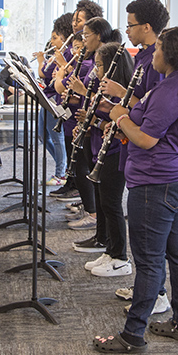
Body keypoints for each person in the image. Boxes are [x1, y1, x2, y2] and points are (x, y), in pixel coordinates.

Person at [93, 27, 178, 354]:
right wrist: (126, 119)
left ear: (170, 55)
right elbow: (151, 122)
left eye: (157, 49)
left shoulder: (173, 89)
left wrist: (119, 117)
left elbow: (146, 138)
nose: (152, 55)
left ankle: (133, 335)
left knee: (149, 262)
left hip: (156, 184)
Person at [96, 0, 171, 309]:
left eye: (130, 25)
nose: (126, 30)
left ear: (147, 27)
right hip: (136, 151)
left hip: (153, 159)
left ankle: (158, 294)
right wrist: (118, 113)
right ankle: (147, 286)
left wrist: (120, 103)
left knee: (152, 235)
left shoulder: (160, 62)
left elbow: (152, 110)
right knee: (141, 232)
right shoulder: (142, 58)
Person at [77, 42, 135, 277]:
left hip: (115, 152)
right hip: (99, 147)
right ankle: (111, 251)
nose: (96, 70)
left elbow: (124, 122)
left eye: (100, 65)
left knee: (112, 204)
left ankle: (120, 257)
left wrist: (97, 122)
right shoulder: (103, 90)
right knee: (103, 203)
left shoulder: (125, 94)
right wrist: (88, 125)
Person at [64, 17, 122, 234]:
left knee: (109, 201)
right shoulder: (95, 59)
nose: (83, 38)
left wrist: (93, 118)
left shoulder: (108, 62)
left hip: (104, 134)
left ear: (98, 35)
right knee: (99, 192)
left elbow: (106, 101)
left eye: (86, 35)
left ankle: (108, 242)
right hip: (92, 127)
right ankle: (100, 235)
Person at [49, 0, 104, 202]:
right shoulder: (82, 56)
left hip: (86, 117)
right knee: (78, 160)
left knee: (83, 163)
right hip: (76, 113)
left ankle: (88, 205)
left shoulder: (93, 59)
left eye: (79, 21)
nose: (75, 24)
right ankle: (80, 195)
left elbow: (84, 86)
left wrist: (66, 72)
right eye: (74, 19)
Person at [34, 13, 73, 185]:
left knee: (58, 139)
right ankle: (62, 166)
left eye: (55, 38)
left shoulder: (64, 56)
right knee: (42, 135)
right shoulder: (56, 55)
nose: (52, 42)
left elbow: (44, 73)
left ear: (64, 38)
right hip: (47, 98)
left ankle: (61, 173)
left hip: (56, 102)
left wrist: (42, 60)